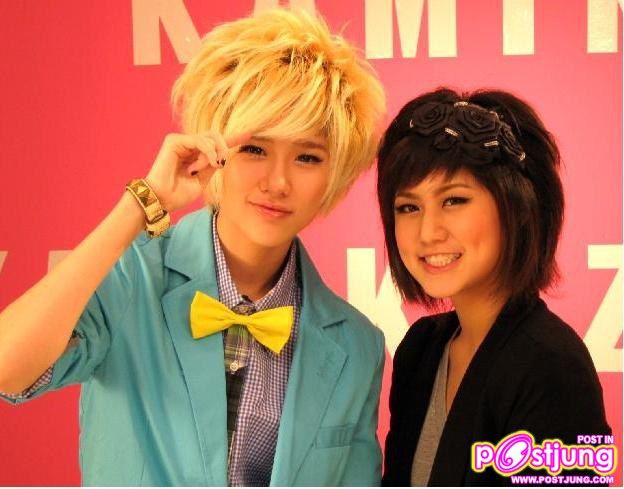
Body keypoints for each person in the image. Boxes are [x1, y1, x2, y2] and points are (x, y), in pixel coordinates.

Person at [0, 9, 387, 486]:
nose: (278, 182)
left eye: (307, 157)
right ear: (213, 146)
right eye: (255, 149)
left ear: (336, 174)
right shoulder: (132, 277)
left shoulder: (356, 344)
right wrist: (141, 205)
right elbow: (7, 369)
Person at [377, 88, 611, 486]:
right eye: (408, 207)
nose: (427, 232)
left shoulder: (551, 366)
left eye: (454, 200)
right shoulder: (420, 349)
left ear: (516, 208)